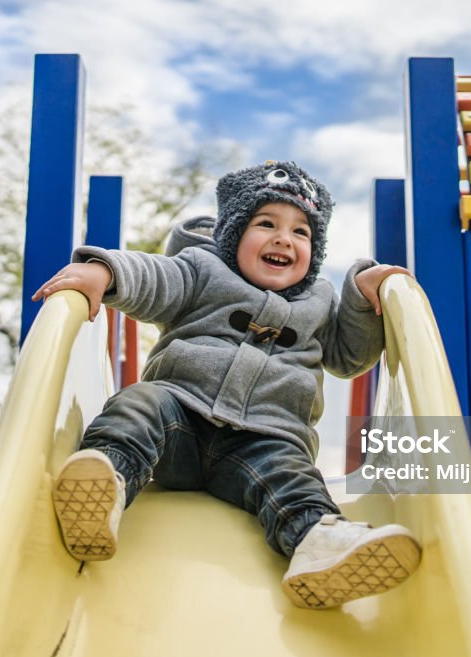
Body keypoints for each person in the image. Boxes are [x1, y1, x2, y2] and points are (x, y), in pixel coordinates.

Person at [32, 161, 421, 609]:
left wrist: (360, 293)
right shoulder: (200, 271)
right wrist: (106, 272)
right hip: (177, 421)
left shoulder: (320, 302)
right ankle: (109, 482)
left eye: (301, 233)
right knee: (139, 402)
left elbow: (349, 358)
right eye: (266, 224)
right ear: (234, 234)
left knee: (293, 478)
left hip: (264, 444)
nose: (283, 239)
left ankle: (317, 542)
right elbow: (154, 278)